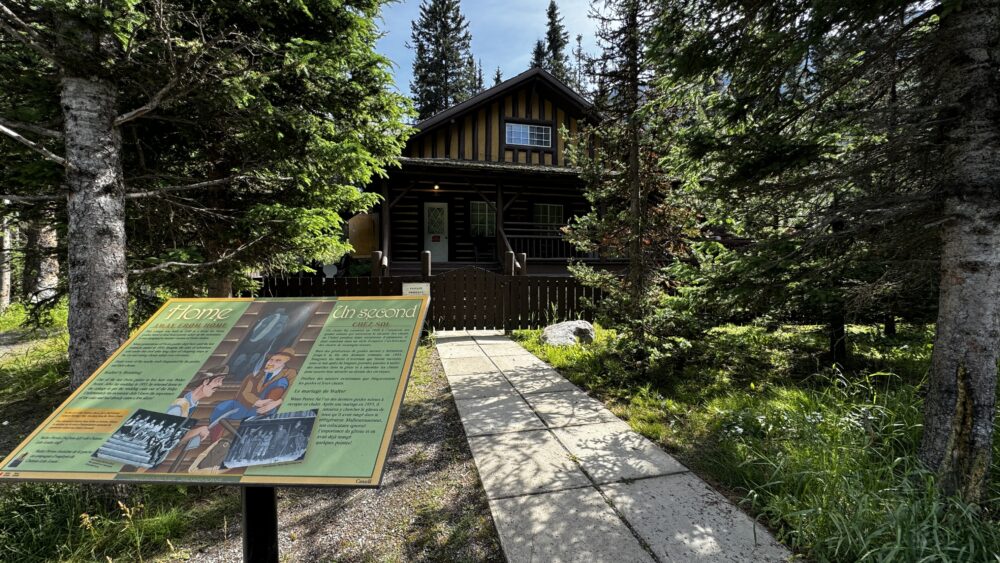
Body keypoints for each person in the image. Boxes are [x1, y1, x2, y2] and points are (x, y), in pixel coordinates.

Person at [207, 348, 298, 440]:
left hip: (268, 408)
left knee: (282, 382)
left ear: (284, 364)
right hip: (249, 405)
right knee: (221, 407)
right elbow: (246, 392)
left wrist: (276, 403)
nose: (271, 363)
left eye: (278, 361)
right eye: (271, 360)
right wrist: (257, 401)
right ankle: (215, 439)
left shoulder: (289, 373)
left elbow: (293, 388)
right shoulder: (256, 374)